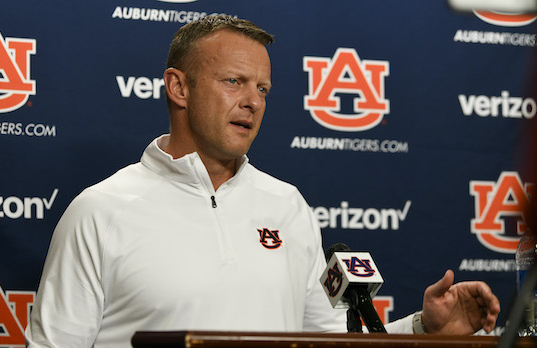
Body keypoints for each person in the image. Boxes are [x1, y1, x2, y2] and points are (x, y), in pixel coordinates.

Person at [25, 15, 500, 347]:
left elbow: (331, 341)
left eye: (263, 89)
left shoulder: (286, 204)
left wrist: (422, 329)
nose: (253, 101)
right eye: (234, 82)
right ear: (178, 87)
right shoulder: (101, 210)